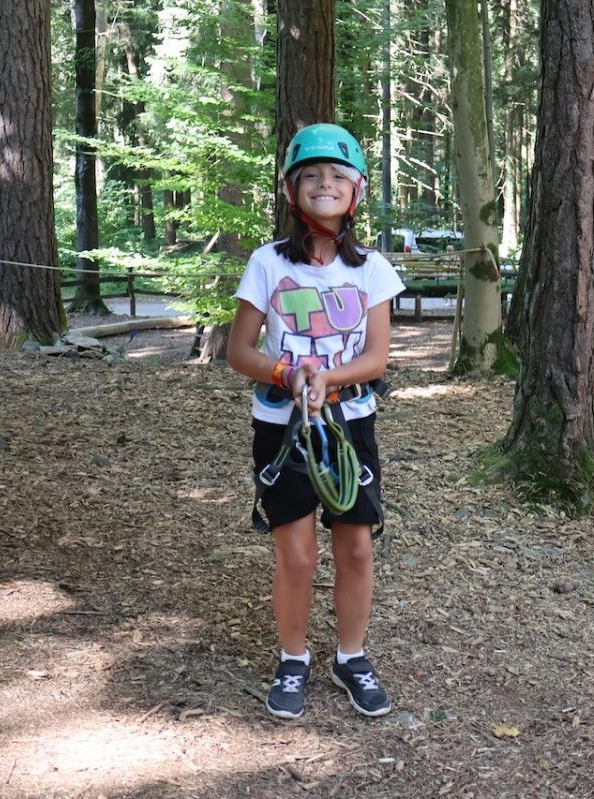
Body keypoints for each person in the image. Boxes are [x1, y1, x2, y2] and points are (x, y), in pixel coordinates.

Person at [226, 123, 404, 718]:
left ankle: (351, 656)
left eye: (337, 176)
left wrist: (331, 378)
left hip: (349, 424)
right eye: (311, 175)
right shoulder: (267, 264)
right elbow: (239, 352)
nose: (324, 184)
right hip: (282, 430)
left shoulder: (372, 269)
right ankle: (294, 658)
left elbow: (376, 356)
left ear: (356, 191)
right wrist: (286, 374)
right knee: (296, 553)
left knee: (355, 547)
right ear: (291, 189)